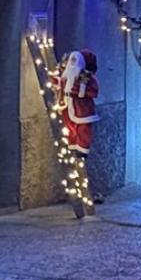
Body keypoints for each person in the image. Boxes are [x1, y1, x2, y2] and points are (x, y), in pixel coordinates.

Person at [58, 48, 101, 214]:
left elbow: (93, 91)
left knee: (82, 133)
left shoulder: (87, 79)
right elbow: (59, 84)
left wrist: (78, 89)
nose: (72, 65)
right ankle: (72, 146)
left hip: (82, 113)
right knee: (71, 131)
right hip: (68, 111)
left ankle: (81, 151)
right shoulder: (65, 77)